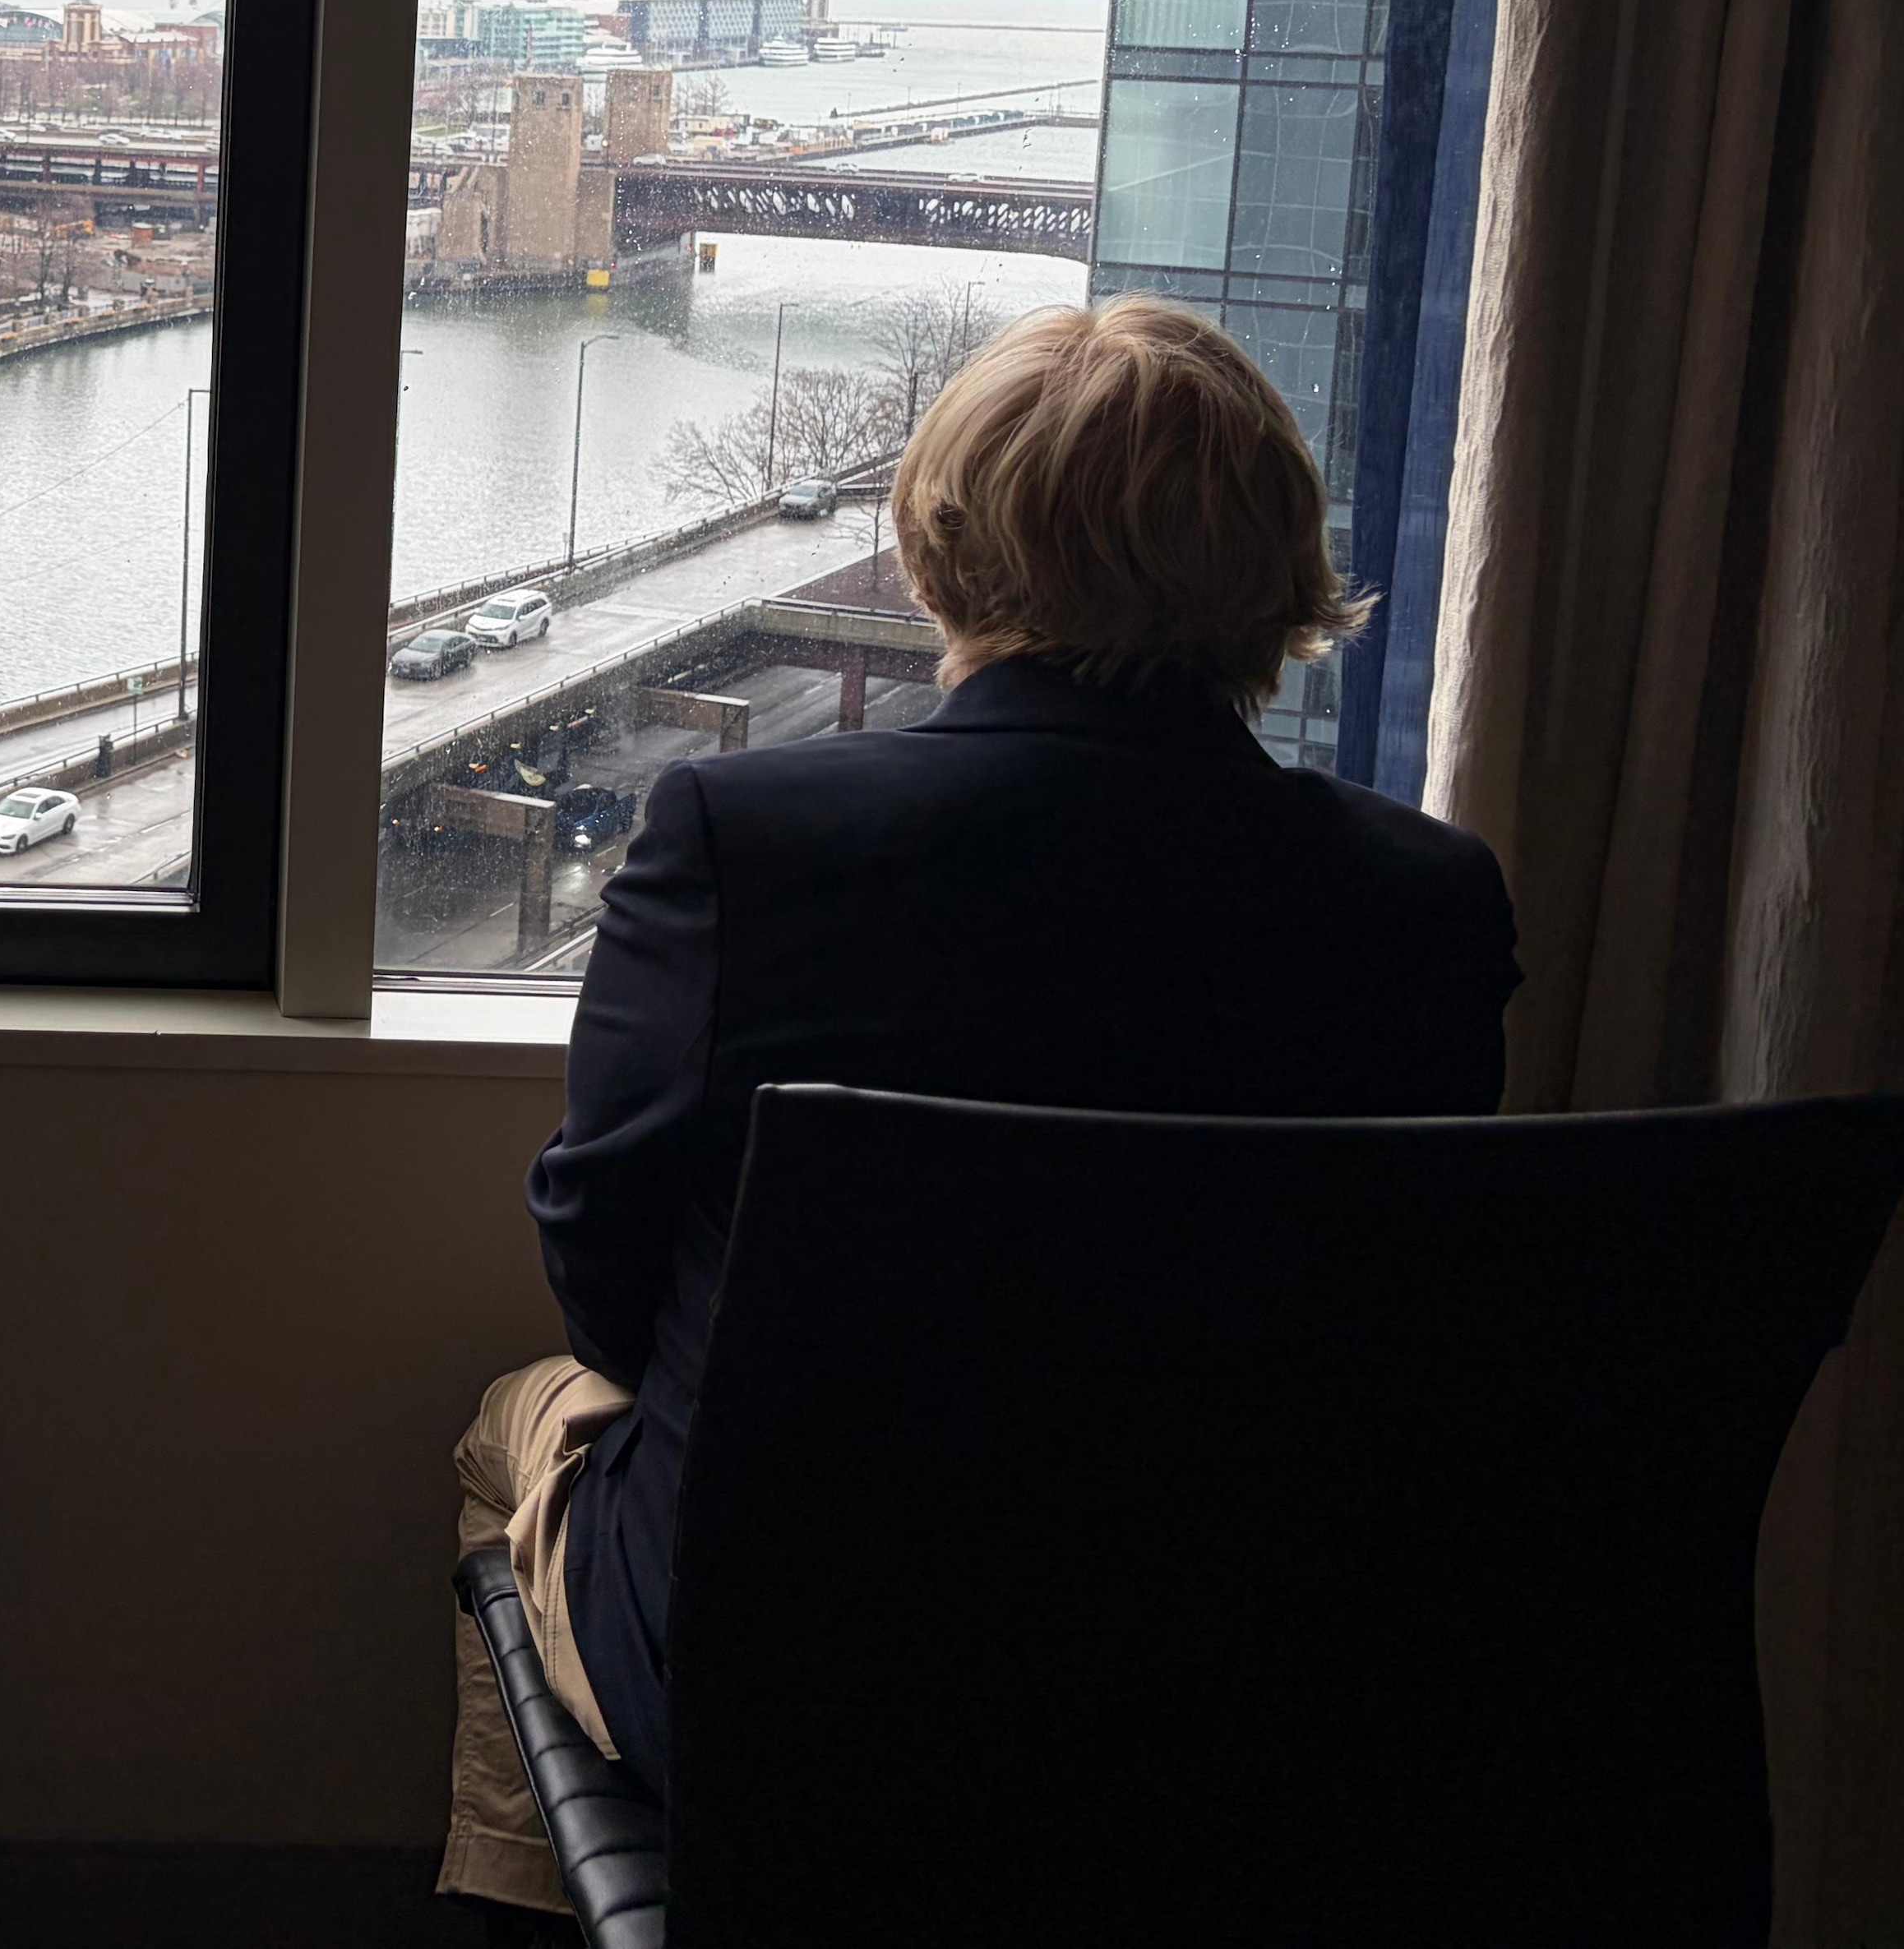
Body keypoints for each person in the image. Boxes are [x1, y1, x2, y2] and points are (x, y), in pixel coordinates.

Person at [441, 298, 1520, 1920]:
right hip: (1248, 1689)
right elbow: (1399, 1311)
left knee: (512, 1423)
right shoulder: (1428, 900)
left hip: (804, 1678)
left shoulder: (748, 837)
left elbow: (602, 1276)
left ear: (945, 548)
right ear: (1273, 569)